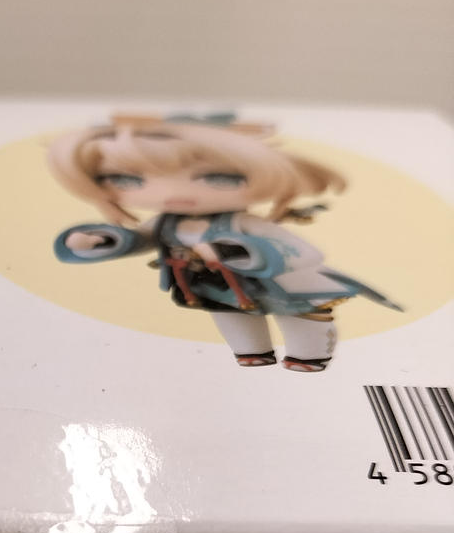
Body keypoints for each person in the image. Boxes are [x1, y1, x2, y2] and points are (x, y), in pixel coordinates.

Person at [49, 114, 400, 371]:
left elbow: (305, 252)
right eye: (128, 179)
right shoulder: (166, 222)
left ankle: (308, 356)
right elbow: (138, 238)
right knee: (231, 318)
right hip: (211, 285)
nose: (173, 192)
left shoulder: (244, 222)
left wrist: (228, 250)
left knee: (297, 318)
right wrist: (96, 241)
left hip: (277, 283)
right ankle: (252, 352)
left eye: (219, 177)